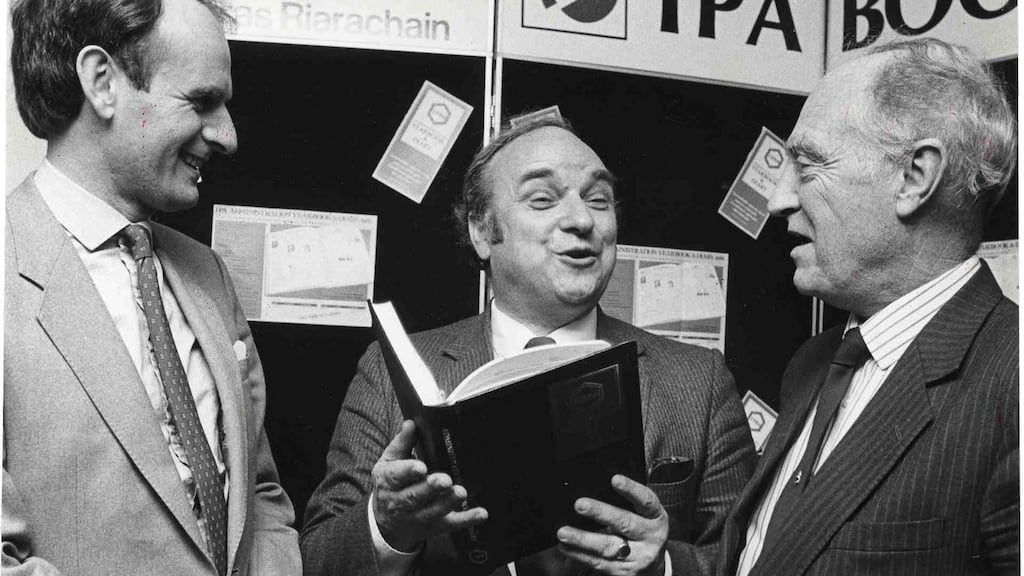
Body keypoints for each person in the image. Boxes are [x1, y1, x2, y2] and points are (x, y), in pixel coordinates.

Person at [301, 116, 755, 576]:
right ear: (482, 230)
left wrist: (665, 568)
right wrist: (386, 527)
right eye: (542, 199)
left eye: (599, 200)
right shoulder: (388, 374)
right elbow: (319, 559)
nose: (582, 221)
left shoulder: (699, 382)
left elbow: (750, 559)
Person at [3, 0, 302, 573]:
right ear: (102, 82)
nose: (228, 136)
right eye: (201, 102)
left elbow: (259, 496)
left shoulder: (207, 274)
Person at [719, 38, 1018, 576]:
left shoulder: (1012, 382)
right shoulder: (815, 363)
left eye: (807, 166)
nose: (778, 199)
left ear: (914, 178)